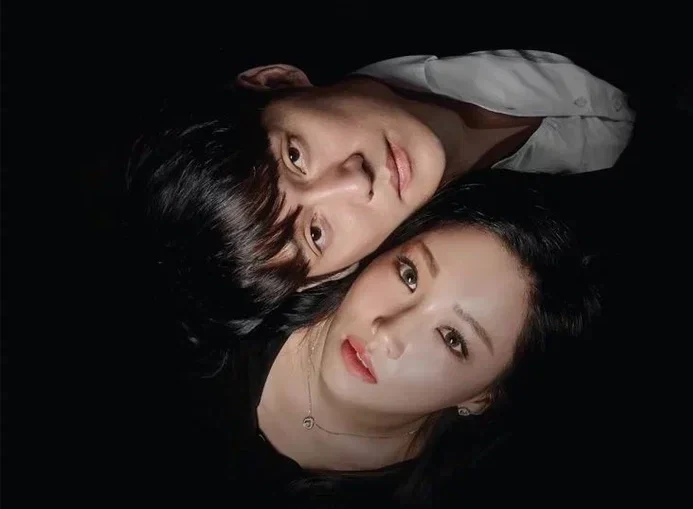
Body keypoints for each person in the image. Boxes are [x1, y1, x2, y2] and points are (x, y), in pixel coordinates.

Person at [171, 171, 603, 506]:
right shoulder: (240, 302)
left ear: (483, 396)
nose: (387, 331)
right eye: (409, 275)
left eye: (452, 339)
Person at [125, 49, 630, 335]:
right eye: (316, 234)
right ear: (339, 272)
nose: (355, 181)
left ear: (276, 81)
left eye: (295, 156)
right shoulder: (543, 263)